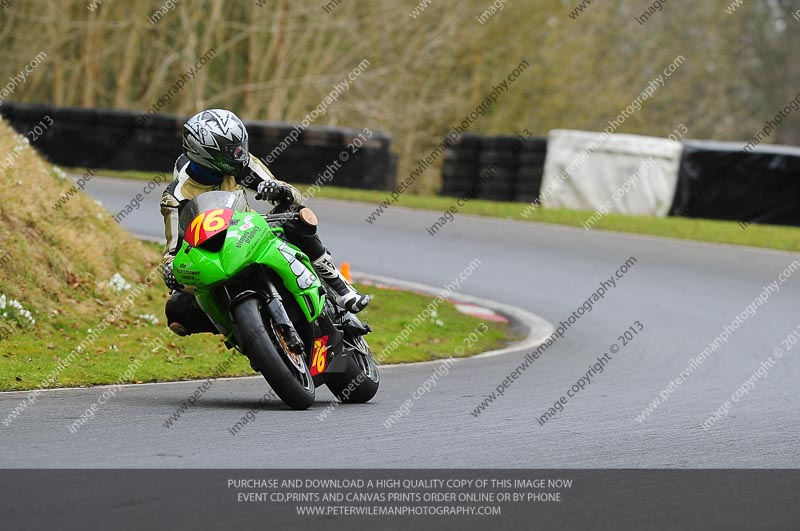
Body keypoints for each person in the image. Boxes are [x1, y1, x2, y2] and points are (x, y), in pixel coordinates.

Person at [160, 108, 369, 336]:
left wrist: (278, 191)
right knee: (178, 312)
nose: (239, 154)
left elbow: (292, 194)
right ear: (206, 155)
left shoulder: (239, 165)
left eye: (240, 146)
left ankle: (337, 283)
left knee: (295, 213)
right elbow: (173, 251)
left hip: (249, 232)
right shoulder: (177, 197)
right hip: (214, 254)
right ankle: (244, 333)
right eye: (230, 151)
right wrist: (171, 270)